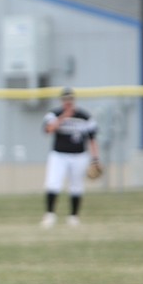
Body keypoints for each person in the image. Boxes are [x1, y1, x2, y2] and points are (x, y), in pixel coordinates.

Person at [40, 87, 99, 228]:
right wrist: (63, 117)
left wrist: (95, 158)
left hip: (79, 155)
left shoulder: (84, 116)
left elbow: (92, 139)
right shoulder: (54, 114)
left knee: (76, 186)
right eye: (65, 99)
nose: (68, 102)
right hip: (59, 155)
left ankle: (74, 217)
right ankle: (49, 215)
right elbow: (48, 130)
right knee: (53, 183)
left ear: (74, 100)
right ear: (61, 101)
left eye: (70, 99)